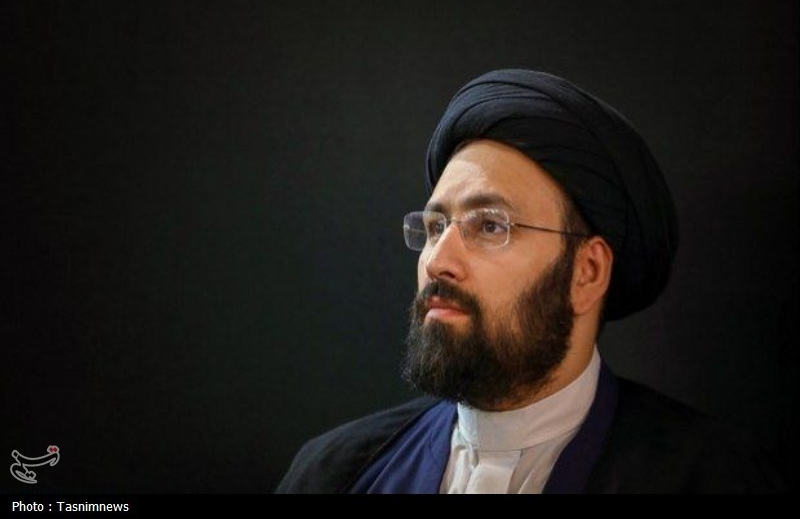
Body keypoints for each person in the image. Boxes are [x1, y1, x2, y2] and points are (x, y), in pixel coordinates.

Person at [276, 69, 783, 494]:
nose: (437, 262)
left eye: (489, 226)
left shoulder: (712, 478)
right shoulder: (338, 473)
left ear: (587, 272)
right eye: (435, 227)